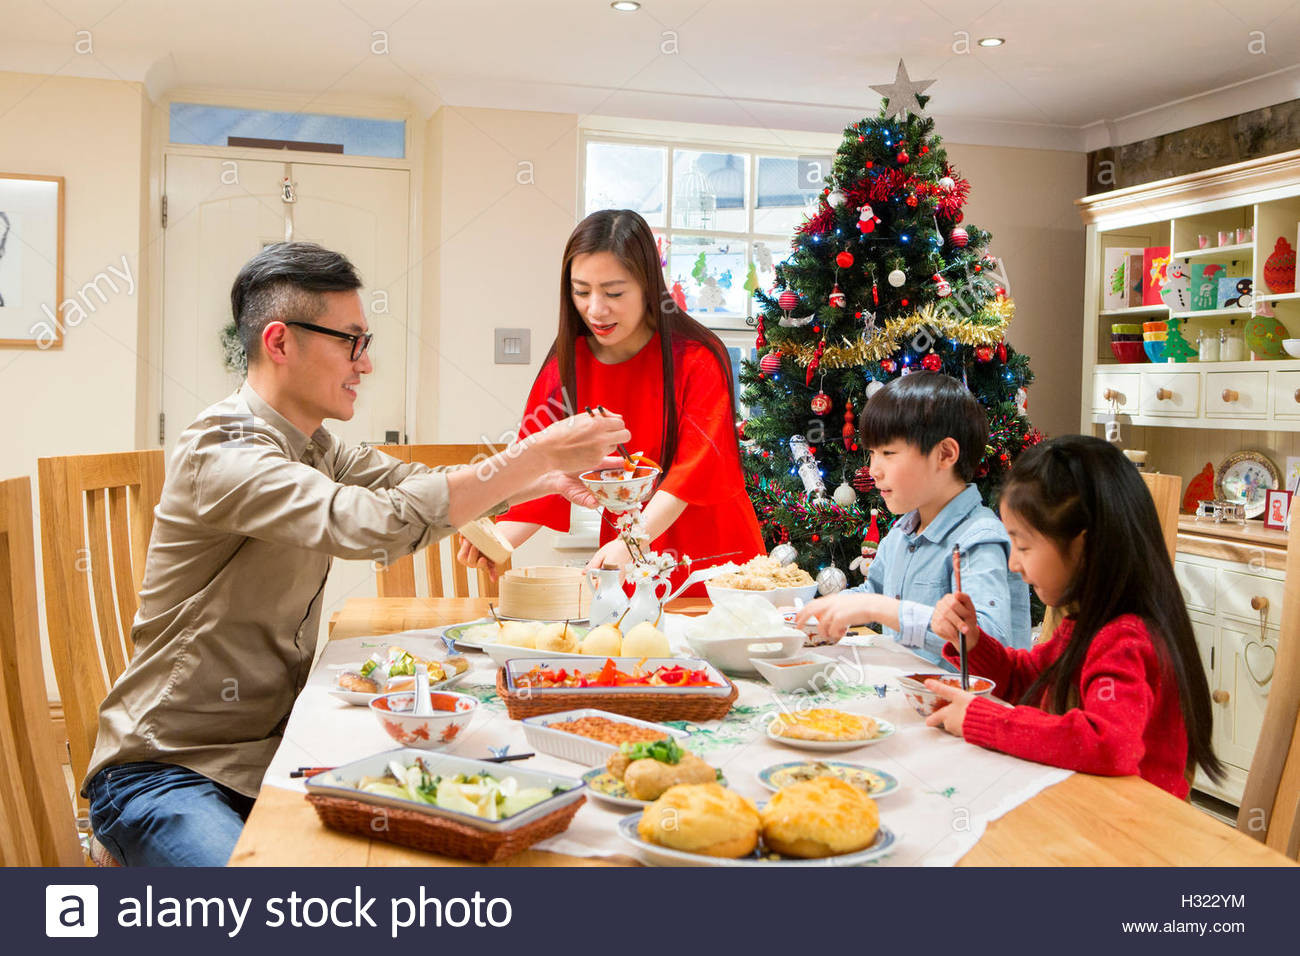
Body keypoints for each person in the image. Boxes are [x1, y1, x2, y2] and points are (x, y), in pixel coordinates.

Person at [82, 242, 630, 866]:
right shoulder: (223, 447)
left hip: (274, 752)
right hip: (168, 772)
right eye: (352, 341)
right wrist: (533, 455)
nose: (364, 365)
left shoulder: (317, 446)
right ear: (281, 342)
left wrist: (545, 481)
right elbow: (369, 524)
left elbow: (407, 484)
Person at [459, 210, 763, 592]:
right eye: (581, 291)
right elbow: (538, 464)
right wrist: (500, 541)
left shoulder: (698, 357)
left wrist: (633, 542)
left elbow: (694, 471)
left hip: (712, 555)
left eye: (614, 293)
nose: (595, 309)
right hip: (627, 554)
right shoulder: (569, 362)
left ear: (648, 287)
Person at [924, 435, 1223, 799]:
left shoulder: (1127, 638)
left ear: (1083, 547)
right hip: (1091, 807)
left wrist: (984, 720)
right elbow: (1030, 681)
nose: (1013, 563)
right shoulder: (1085, 626)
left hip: (1137, 832)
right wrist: (972, 641)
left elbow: (1107, 741)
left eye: (1022, 546)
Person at [795, 371, 1031, 666]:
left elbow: (989, 639)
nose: (874, 470)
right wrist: (823, 609)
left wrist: (878, 608)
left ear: (945, 454)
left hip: (967, 707)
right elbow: (874, 593)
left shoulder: (979, 538)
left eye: (888, 453)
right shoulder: (902, 532)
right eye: (871, 453)